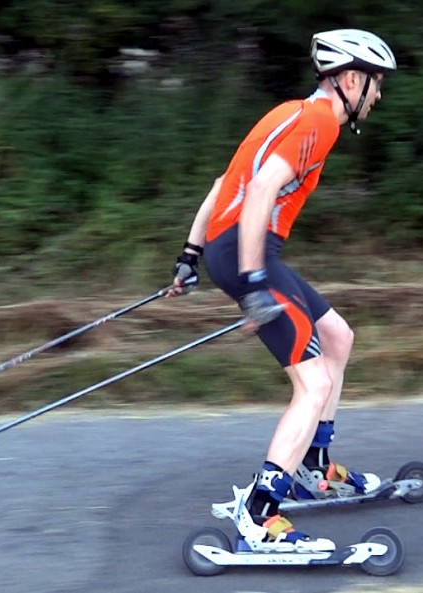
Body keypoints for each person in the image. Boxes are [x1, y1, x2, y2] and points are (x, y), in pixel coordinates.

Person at [168, 29, 397, 551]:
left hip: (240, 249)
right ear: (352, 79)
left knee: (337, 336)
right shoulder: (318, 122)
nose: (379, 96)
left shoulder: (288, 112)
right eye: (377, 84)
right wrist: (251, 282)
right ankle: (261, 514)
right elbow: (261, 193)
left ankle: (313, 467)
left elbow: (223, 184)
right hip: (250, 254)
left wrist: (189, 256)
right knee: (312, 384)